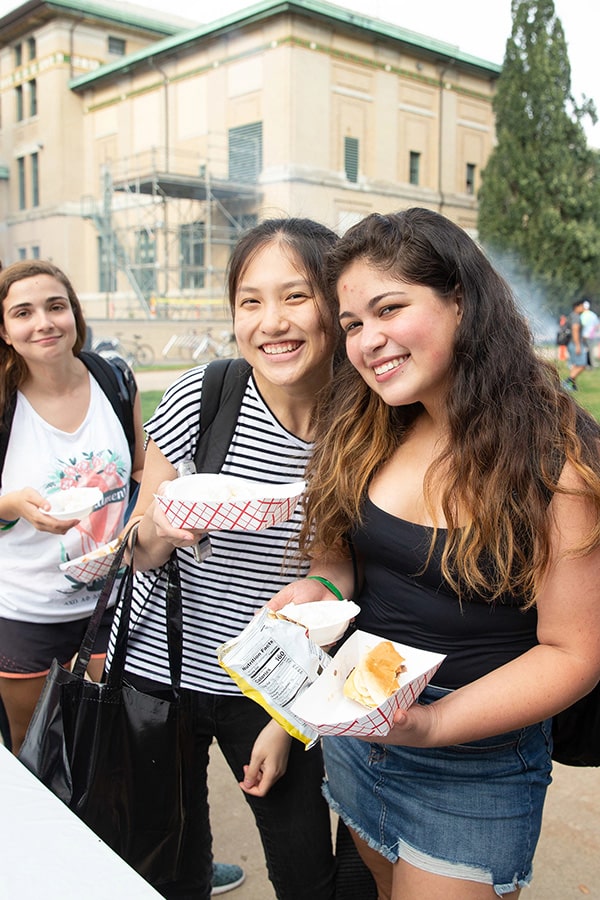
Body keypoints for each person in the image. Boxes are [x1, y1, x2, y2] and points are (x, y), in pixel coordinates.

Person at [270, 208, 600, 900]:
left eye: (390, 309)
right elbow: (338, 565)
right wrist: (319, 597)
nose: (368, 342)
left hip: (475, 762)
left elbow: (574, 652)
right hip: (360, 729)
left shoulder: (553, 461)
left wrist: (433, 723)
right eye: (354, 323)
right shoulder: (365, 425)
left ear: (460, 300)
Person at [111, 218, 342, 900]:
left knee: (305, 868)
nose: (273, 322)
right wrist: (164, 525)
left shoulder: (362, 423)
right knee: (170, 862)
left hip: (276, 682)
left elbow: (340, 580)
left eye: (296, 296)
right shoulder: (203, 396)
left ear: (335, 301)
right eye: (250, 301)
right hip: (164, 669)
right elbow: (139, 553)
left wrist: (286, 716)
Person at [0, 260, 146, 755]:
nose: (43, 322)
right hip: (24, 613)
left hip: (109, 602)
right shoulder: (4, 400)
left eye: (55, 306)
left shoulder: (114, 379)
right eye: (23, 312)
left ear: (74, 315)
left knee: (105, 741)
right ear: (4, 329)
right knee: (32, 746)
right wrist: (14, 504)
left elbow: (143, 473)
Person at [562, 297, 587, 389]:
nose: (583, 308)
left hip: (571, 343)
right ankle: (567, 382)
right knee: (582, 365)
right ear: (577, 307)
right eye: (582, 306)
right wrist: (578, 345)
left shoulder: (571, 315)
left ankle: (572, 385)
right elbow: (575, 330)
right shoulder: (576, 316)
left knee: (575, 365)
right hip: (575, 343)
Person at [580, 298, 599, 367]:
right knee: (591, 351)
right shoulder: (593, 315)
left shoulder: (582, 315)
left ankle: (584, 364)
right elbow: (597, 325)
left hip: (583, 335)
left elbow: (581, 325)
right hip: (591, 336)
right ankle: (592, 364)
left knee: (584, 350)